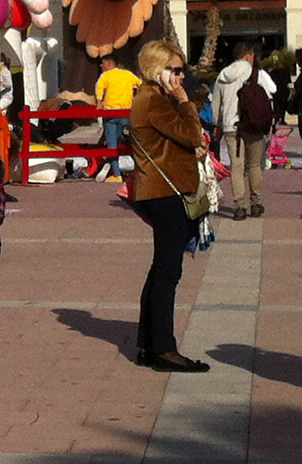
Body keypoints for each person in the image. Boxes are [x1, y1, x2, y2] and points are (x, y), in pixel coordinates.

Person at [127, 39, 210, 373]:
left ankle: (149, 344)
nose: (180, 77)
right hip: (165, 193)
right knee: (167, 272)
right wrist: (186, 103)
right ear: (156, 69)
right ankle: (163, 348)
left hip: (161, 191)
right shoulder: (154, 100)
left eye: (182, 70)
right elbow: (192, 135)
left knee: (161, 270)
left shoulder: (151, 98)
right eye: (174, 70)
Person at [211, 40, 276, 220]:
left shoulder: (223, 75)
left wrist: (217, 125)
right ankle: (256, 203)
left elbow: (216, 103)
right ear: (249, 56)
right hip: (253, 125)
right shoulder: (255, 73)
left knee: (236, 167)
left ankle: (239, 206)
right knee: (254, 165)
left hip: (231, 126)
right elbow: (270, 94)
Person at [93, 53, 141, 182]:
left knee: (112, 145)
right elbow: (140, 84)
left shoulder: (106, 76)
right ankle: (137, 170)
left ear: (109, 64)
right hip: (126, 113)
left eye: (102, 64)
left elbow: (99, 89)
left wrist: (99, 103)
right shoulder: (128, 75)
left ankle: (116, 173)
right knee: (127, 142)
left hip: (111, 113)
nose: (101, 66)